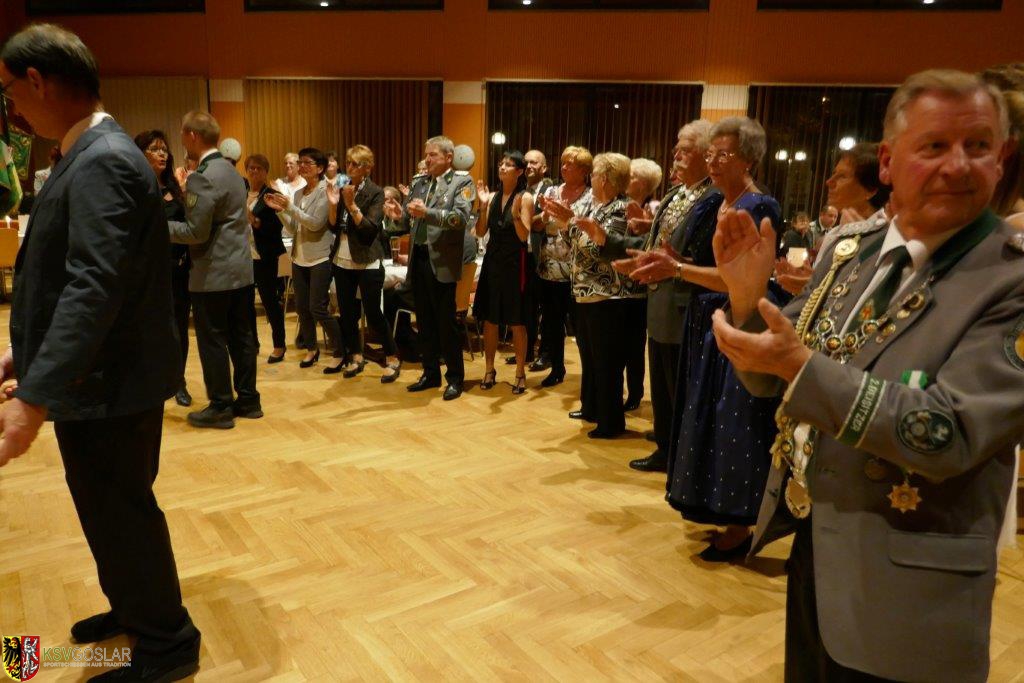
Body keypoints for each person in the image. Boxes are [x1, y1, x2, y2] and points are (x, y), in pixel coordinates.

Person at [712, 69, 1021, 683]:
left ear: (1001, 159)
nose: (957, 165)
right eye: (934, 146)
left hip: (911, 581)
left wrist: (798, 366)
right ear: (888, 162)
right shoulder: (852, 253)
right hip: (820, 545)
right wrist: (746, 299)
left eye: (978, 146)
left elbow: (949, 432)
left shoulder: (1009, 280)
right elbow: (775, 374)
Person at [0, 24, 201, 681]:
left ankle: (166, 643)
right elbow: (69, 278)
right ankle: (136, 609)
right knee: (111, 510)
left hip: (111, 382)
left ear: (37, 81)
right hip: (103, 378)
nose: (10, 106)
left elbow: (95, 285)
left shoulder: (103, 158)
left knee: (121, 511)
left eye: (9, 90)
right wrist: (26, 357)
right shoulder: (92, 151)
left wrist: (32, 397)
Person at [632, 116, 783, 560]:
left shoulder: (759, 206)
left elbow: (742, 280)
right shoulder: (714, 202)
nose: (713, 162)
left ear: (749, 158)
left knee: (735, 422)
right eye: (711, 154)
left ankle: (741, 522)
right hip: (706, 319)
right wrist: (664, 260)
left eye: (723, 155)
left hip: (738, 320)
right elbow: (698, 262)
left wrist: (677, 269)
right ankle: (715, 506)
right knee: (707, 418)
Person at [611, 119, 719, 472]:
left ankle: (678, 454)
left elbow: (705, 259)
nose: (676, 156)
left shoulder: (713, 197)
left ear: (706, 155)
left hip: (686, 303)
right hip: (660, 301)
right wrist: (639, 256)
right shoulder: (676, 194)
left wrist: (665, 262)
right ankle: (665, 443)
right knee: (660, 380)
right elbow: (656, 243)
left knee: (679, 384)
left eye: (684, 150)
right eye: (676, 149)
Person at [168, 110, 261, 429]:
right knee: (242, 337)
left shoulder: (202, 176)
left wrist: (159, 226)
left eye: (183, 134)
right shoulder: (232, 172)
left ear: (192, 136)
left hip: (212, 275)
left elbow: (196, 232)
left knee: (213, 341)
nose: (182, 139)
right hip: (241, 271)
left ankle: (221, 405)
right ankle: (248, 400)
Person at [383, 135, 474, 400]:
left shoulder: (461, 182)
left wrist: (429, 213)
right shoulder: (419, 182)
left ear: (448, 157)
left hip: (442, 261)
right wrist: (398, 217)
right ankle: (430, 373)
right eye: (426, 154)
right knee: (423, 321)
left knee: (446, 323)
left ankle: (455, 378)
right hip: (419, 259)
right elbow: (410, 222)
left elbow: (460, 219)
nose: (427, 159)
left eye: (432, 154)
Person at [563, 152, 640, 439]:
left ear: (605, 179)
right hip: (588, 293)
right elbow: (574, 242)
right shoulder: (597, 206)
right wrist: (567, 224)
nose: (591, 178)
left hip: (610, 296)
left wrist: (571, 224)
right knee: (591, 358)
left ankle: (610, 422)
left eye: (594, 174)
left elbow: (601, 250)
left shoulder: (620, 208)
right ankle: (592, 408)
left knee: (607, 362)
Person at [264, 147, 345, 372]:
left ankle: (341, 350)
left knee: (317, 308)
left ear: (320, 168)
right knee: (302, 308)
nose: (301, 166)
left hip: (319, 256)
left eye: (307, 163)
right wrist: (280, 210)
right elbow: (293, 228)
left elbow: (316, 224)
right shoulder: (299, 193)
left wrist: (288, 206)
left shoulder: (325, 190)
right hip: (299, 257)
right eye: (300, 162)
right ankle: (311, 348)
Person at [326, 144, 401, 382]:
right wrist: (333, 204)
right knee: (347, 313)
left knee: (373, 313)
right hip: (342, 258)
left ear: (367, 168)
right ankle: (356, 356)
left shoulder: (376, 192)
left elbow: (369, 229)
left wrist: (351, 205)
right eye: (348, 163)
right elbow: (333, 226)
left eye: (355, 164)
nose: (349, 167)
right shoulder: (342, 186)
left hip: (367, 259)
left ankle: (392, 356)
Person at [134, 129, 192, 407]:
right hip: (148, 273)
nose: (162, 154)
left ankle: (179, 380)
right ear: (140, 154)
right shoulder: (136, 188)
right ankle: (151, 379)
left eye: (164, 149)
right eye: (155, 149)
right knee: (151, 328)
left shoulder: (175, 188)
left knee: (179, 328)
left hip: (178, 271)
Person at [474, 151, 534, 394]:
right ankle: (489, 369)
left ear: (519, 172)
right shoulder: (492, 196)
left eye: (509, 165)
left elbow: (523, 236)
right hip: (493, 261)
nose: (502, 167)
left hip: (515, 264)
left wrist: (516, 216)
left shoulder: (525, 197)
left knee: (517, 321)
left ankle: (520, 372)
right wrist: (482, 206)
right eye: (501, 163)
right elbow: (480, 232)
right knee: (490, 319)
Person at [535, 146, 593, 387]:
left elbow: (590, 230)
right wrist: (543, 216)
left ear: (584, 170)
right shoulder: (551, 191)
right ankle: (557, 369)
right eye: (563, 162)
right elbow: (537, 226)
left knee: (580, 327)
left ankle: (590, 376)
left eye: (570, 164)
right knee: (552, 323)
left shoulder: (591, 196)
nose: (564, 167)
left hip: (577, 270)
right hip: (549, 268)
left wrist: (568, 218)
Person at [510, 148, 552, 370]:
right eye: (526, 162)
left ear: (544, 167)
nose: (529, 166)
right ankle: (525, 351)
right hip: (522, 255)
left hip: (543, 256)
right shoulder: (519, 190)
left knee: (545, 307)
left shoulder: (551, 191)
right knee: (526, 306)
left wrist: (527, 218)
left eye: (534, 162)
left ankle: (546, 353)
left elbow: (543, 222)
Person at [243, 153, 287, 363]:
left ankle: (279, 345)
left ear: (265, 172)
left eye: (258, 168)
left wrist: (255, 221)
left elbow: (277, 227)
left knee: (269, 300)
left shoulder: (271, 195)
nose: (254, 171)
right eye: (251, 168)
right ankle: (252, 343)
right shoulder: (241, 193)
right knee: (246, 302)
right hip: (243, 255)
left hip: (265, 255)